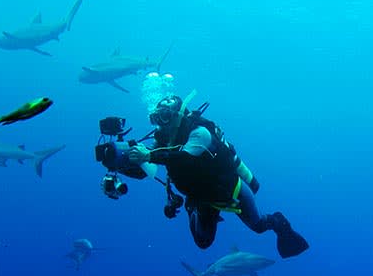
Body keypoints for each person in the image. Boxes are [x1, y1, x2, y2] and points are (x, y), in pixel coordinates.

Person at [128, 93, 309, 258]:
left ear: (178, 115)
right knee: (203, 242)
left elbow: (185, 158)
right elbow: (152, 165)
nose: (160, 124)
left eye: (165, 117)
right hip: (201, 197)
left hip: (230, 190)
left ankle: (279, 222)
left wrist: (149, 155)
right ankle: (194, 208)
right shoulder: (163, 140)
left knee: (259, 226)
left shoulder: (200, 132)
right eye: (155, 118)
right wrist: (122, 160)